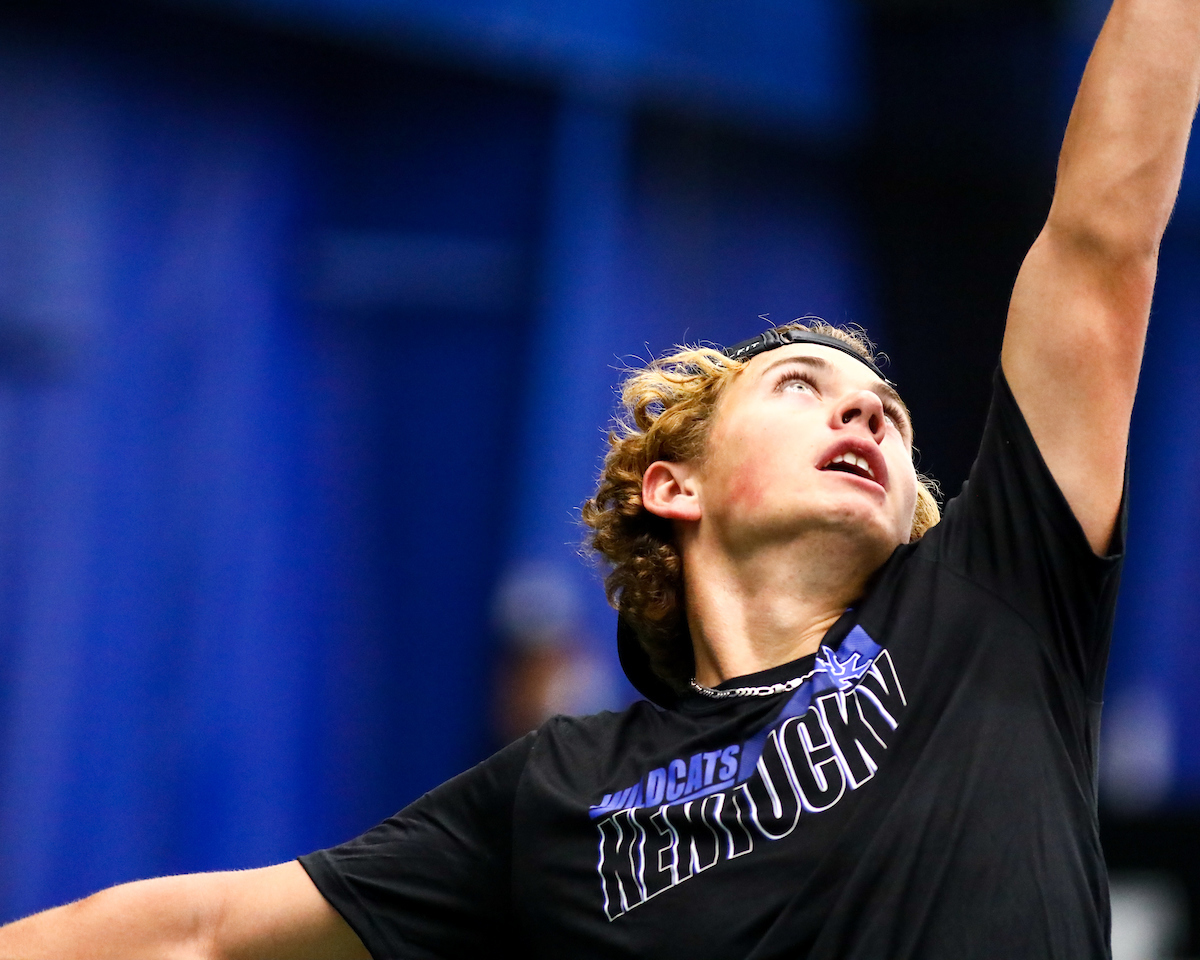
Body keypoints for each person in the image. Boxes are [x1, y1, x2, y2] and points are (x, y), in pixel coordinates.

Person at [2, 0, 1199, 957]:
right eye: (800, 385)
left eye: (882, 409)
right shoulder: (560, 794)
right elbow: (205, 933)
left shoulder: (990, 610)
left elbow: (1101, 240)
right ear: (671, 487)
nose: (864, 408)